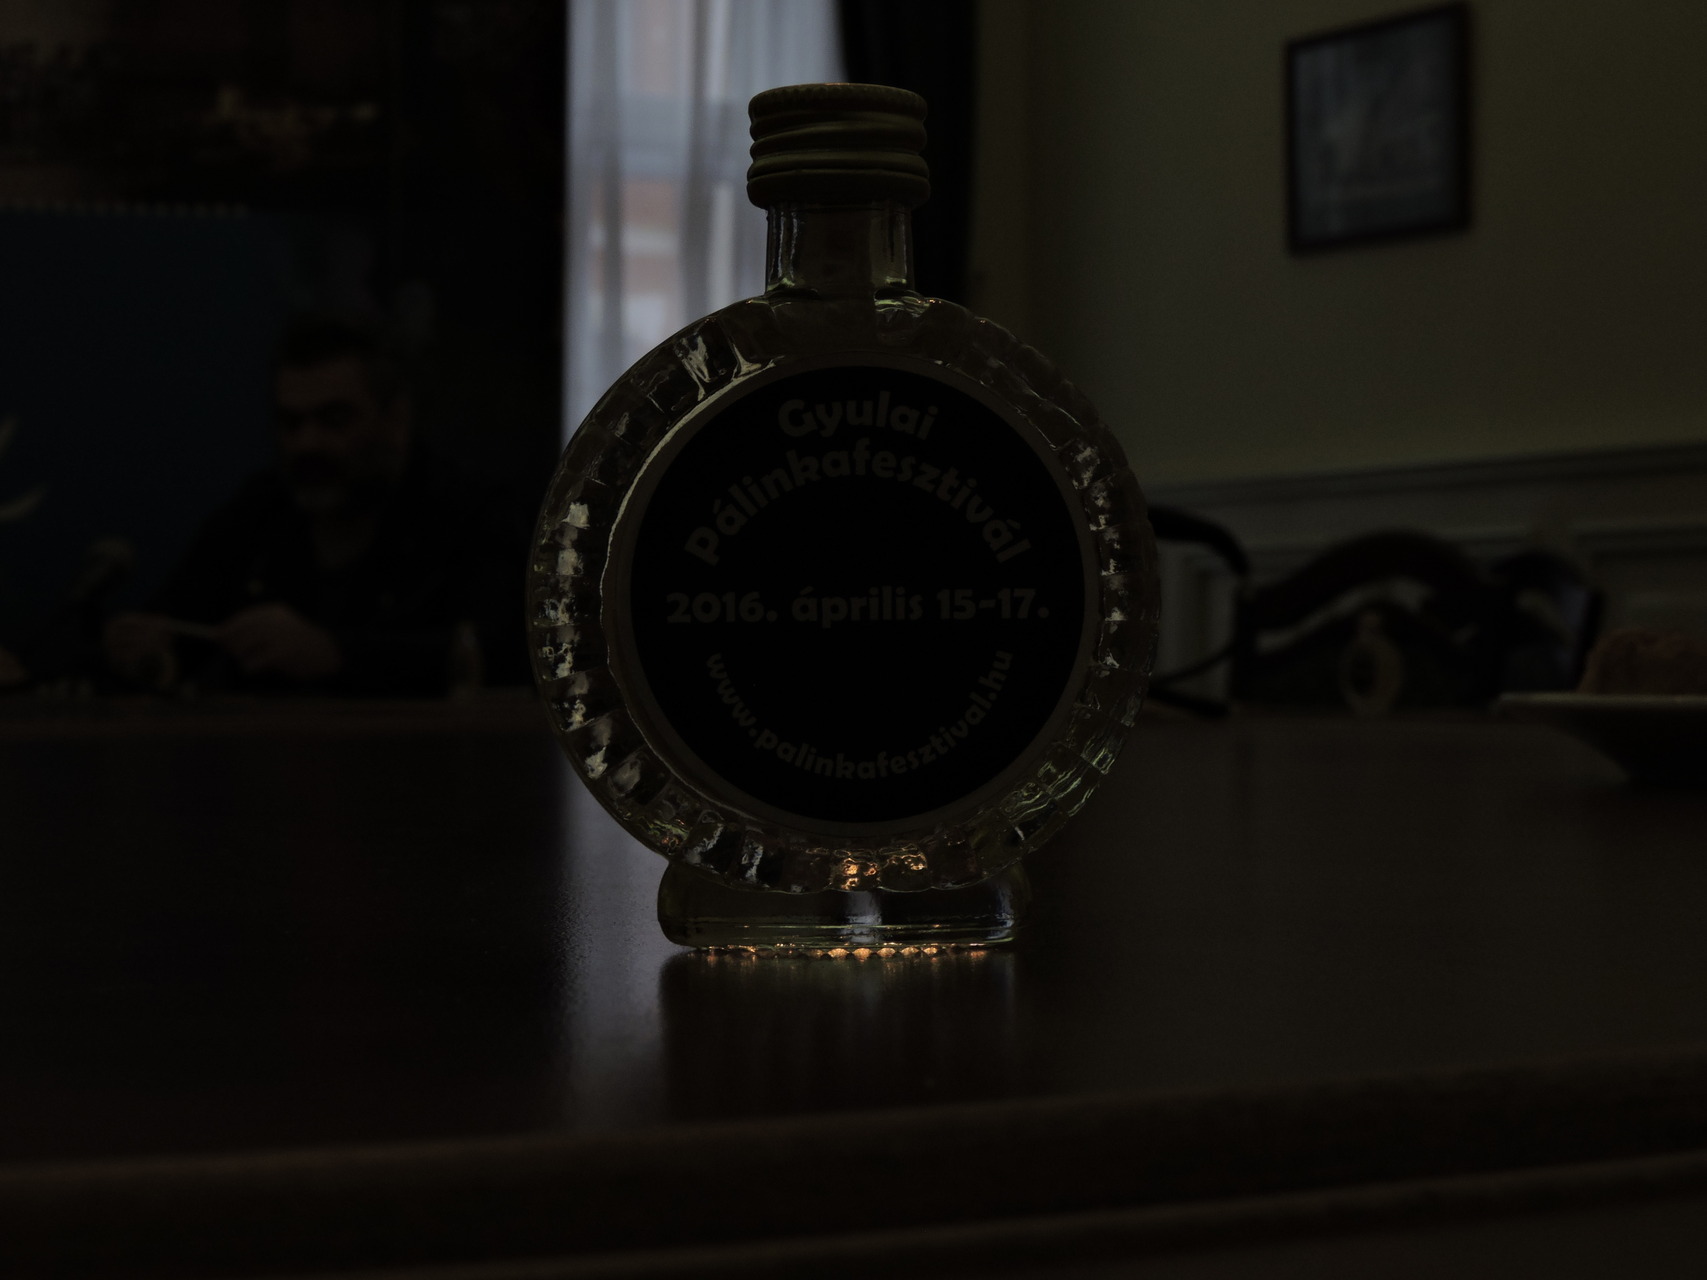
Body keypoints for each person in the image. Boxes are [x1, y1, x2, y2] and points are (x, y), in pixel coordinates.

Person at [105, 320, 529, 695]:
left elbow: (503, 653)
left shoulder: (470, 513)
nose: (306, 444)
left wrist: (336, 653)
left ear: (396, 420)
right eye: (290, 423)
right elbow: (177, 621)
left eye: (335, 420)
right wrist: (150, 650)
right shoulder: (261, 509)